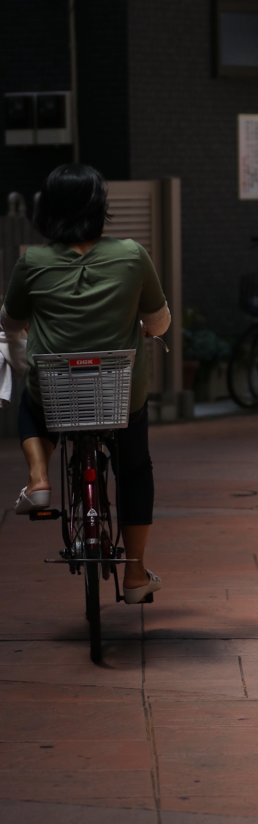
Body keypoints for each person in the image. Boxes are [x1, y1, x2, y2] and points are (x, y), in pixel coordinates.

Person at [0, 163, 170, 603]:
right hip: (120, 392)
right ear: (100, 207)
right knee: (134, 469)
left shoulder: (31, 262)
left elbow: (10, 321)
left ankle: (38, 480)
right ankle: (134, 576)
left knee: (31, 407)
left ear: (47, 210)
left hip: (56, 391)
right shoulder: (132, 254)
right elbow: (160, 320)